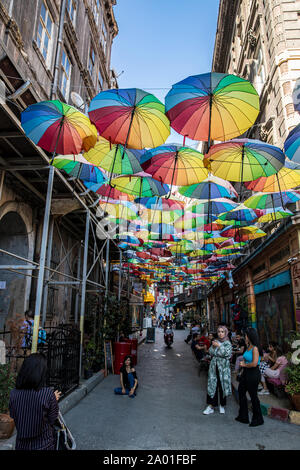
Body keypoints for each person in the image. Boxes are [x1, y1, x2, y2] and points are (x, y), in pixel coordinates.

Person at [9, 353, 61, 450]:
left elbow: (13, 416)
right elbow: (52, 419)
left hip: (21, 445)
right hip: (44, 444)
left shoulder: (13, 394)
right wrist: (53, 399)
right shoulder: (47, 394)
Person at [235, 327, 264, 426]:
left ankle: (258, 419)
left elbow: (255, 363)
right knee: (241, 392)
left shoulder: (255, 348)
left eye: (246, 335)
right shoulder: (249, 346)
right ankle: (243, 416)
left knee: (253, 396)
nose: (245, 337)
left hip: (253, 373)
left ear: (249, 336)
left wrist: (244, 365)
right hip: (246, 373)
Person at [203, 325, 232, 415]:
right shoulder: (215, 341)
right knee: (212, 385)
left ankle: (222, 405)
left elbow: (227, 354)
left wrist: (219, 346)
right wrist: (215, 347)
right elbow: (211, 352)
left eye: (222, 331)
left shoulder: (227, 343)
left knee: (222, 385)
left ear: (225, 332)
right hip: (213, 367)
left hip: (223, 369)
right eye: (219, 331)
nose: (220, 333)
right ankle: (211, 405)